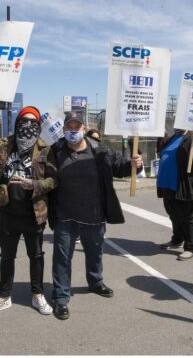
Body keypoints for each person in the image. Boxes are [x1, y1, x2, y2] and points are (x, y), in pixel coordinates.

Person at [50, 111, 143, 320]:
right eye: (69, 127)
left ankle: (95, 282)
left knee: (95, 252)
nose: (73, 131)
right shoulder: (55, 151)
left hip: (94, 214)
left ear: (84, 129)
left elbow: (120, 166)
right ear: (64, 129)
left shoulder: (100, 150)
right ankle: (61, 297)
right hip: (64, 215)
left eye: (77, 127)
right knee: (62, 258)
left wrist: (135, 163)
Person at [0, 106, 57, 315]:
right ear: (17, 122)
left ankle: (37, 295)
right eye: (24, 120)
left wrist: (35, 184)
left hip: (34, 214)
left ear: (38, 126)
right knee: (6, 257)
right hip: (7, 213)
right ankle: (4, 295)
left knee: (36, 256)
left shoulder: (45, 148)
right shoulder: (4, 146)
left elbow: (54, 179)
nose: (28, 126)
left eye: (33, 122)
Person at [157, 130, 193, 260]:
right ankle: (177, 239)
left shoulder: (191, 136)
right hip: (167, 185)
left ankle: (191, 247)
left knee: (187, 217)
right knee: (173, 214)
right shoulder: (174, 137)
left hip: (183, 185)